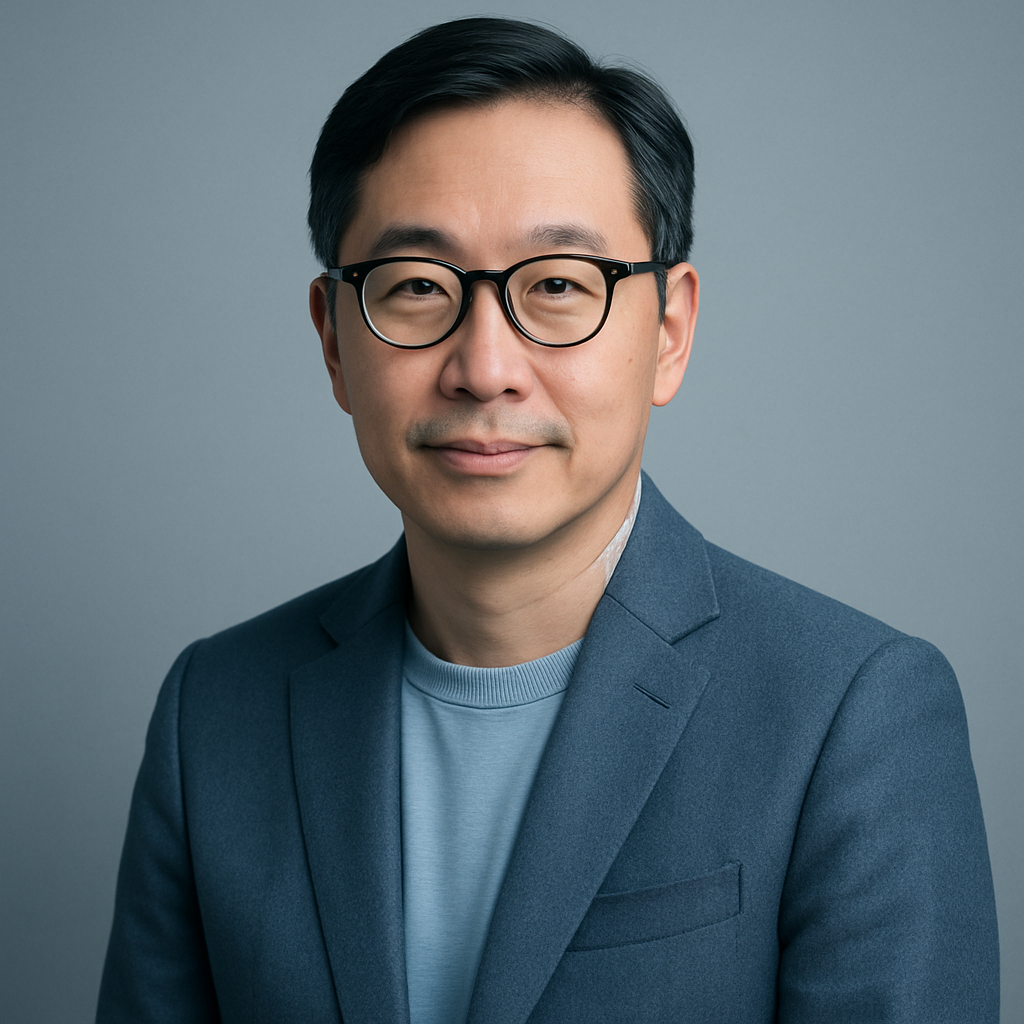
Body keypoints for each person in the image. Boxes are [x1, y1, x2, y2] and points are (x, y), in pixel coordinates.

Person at [97, 16, 999, 1024]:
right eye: (416, 287)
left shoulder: (851, 714)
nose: (485, 367)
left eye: (560, 285)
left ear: (669, 331)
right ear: (334, 341)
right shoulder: (215, 713)